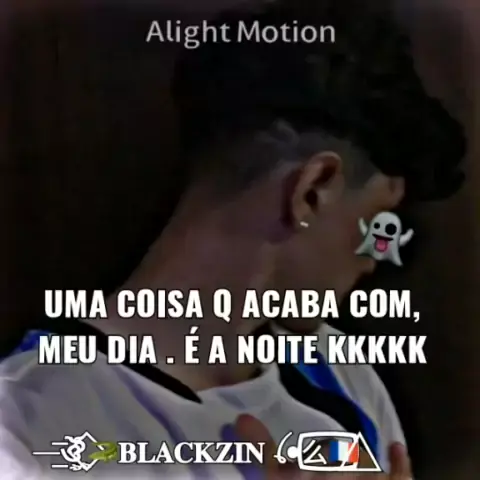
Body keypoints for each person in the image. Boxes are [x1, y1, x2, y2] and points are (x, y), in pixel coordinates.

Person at [0, 1, 465, 479]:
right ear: (312, 191)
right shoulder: (22, 429)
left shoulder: (345, 380)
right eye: (377, 225)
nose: (375, 261)